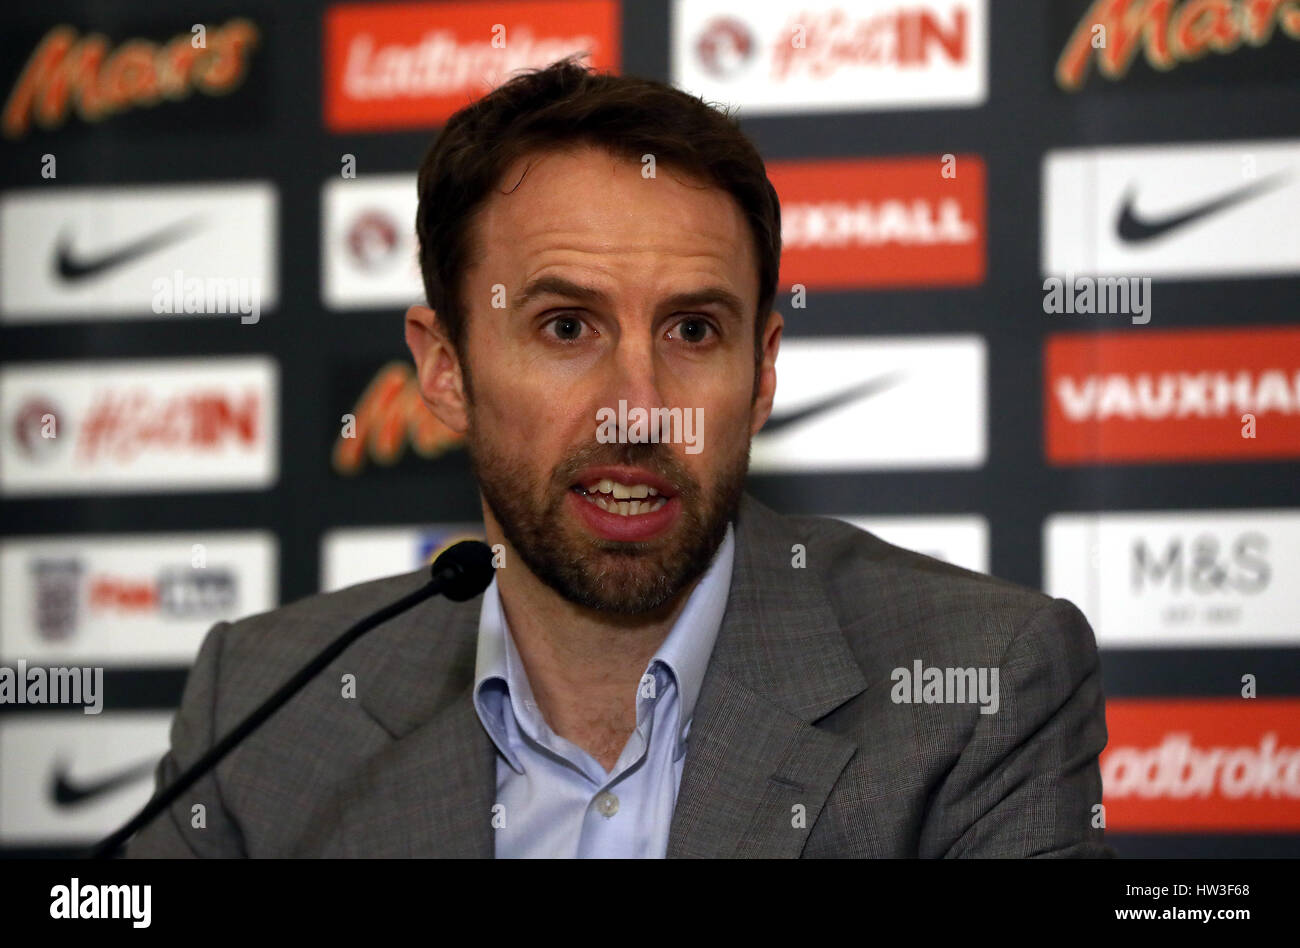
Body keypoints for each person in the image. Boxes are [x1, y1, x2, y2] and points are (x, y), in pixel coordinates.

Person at [127, 58, 1111, 858]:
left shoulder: (979, 686)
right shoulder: (261, 712)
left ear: (761, 373)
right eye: (565, 327)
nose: (639, 412)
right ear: (444, 369)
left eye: (691, 331)